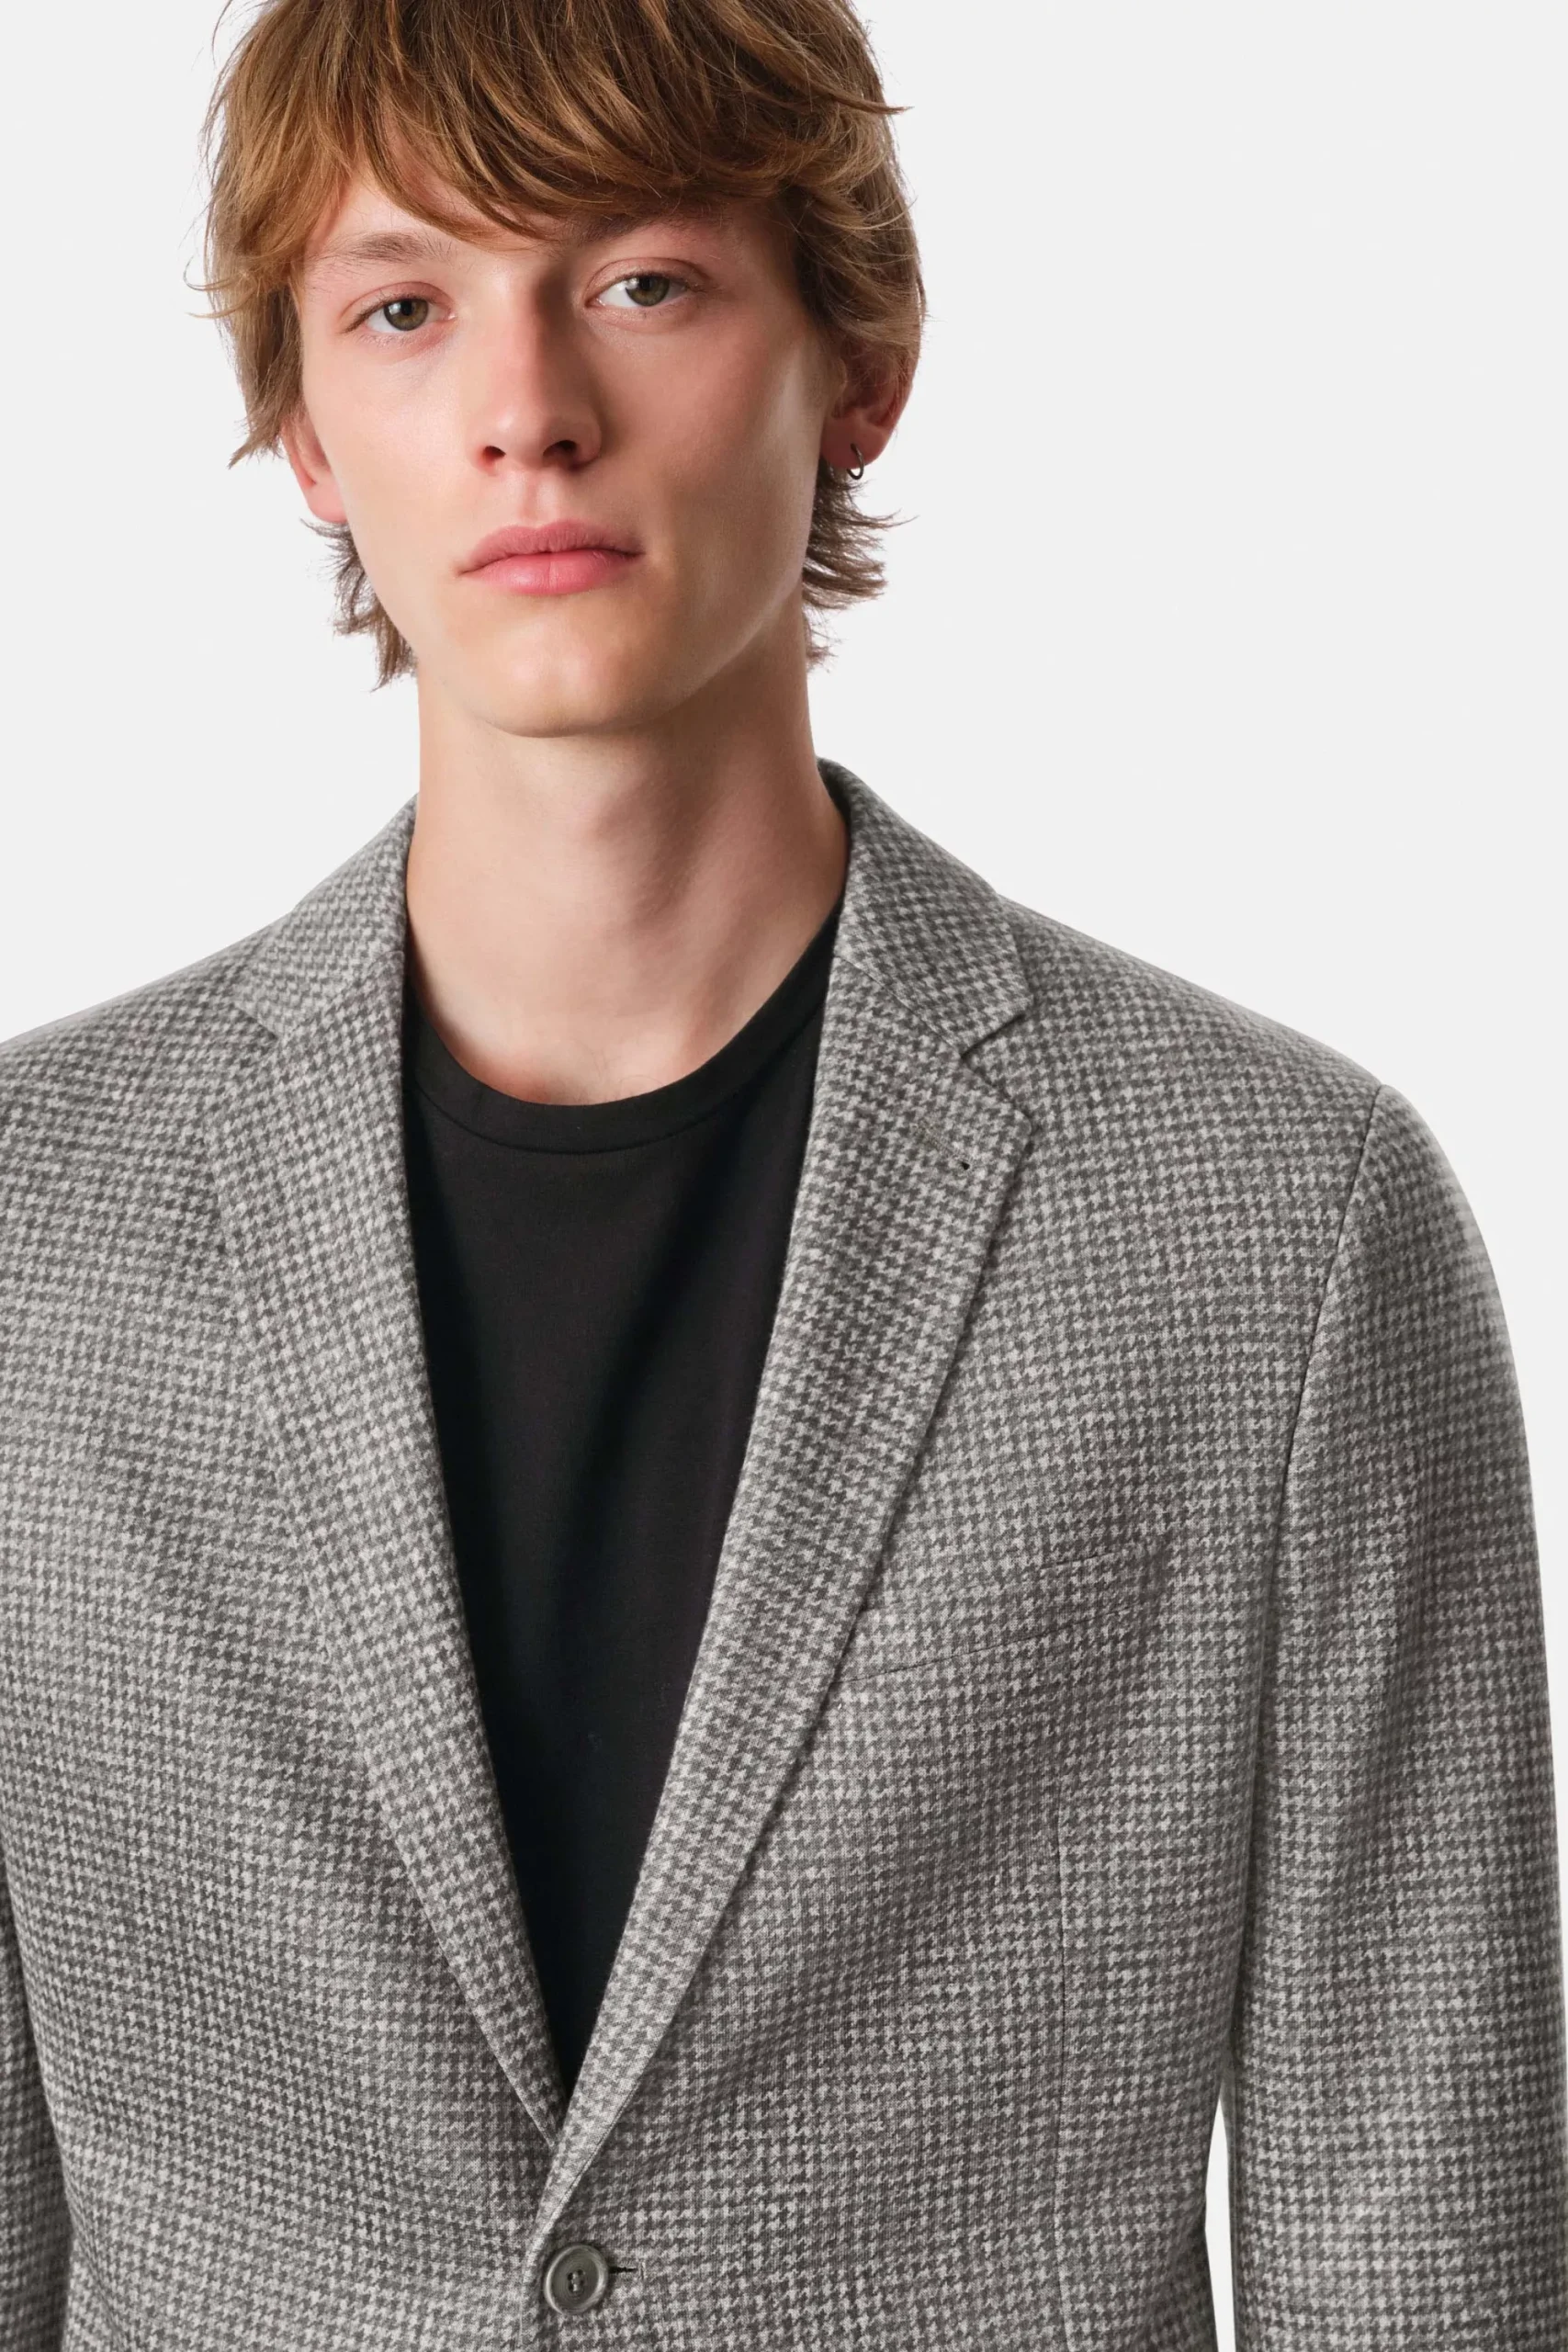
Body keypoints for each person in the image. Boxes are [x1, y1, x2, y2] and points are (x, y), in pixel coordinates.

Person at [1, 0, 1562, 2341]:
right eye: (405, 307)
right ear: (305, 427)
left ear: (861, 362)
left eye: (642, 280)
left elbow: (1419, 2246)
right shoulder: (35, 1234)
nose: (528, 408)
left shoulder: (1286, 1229)